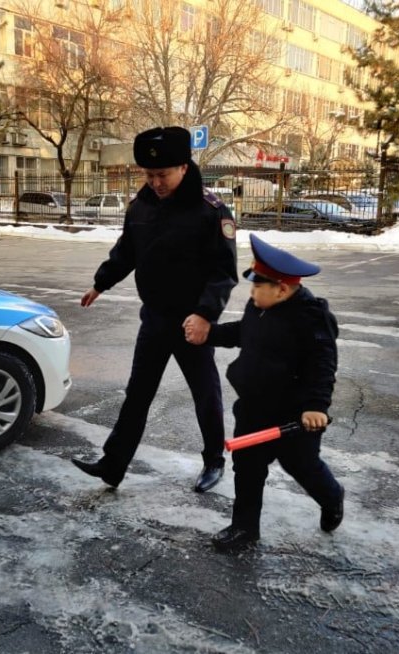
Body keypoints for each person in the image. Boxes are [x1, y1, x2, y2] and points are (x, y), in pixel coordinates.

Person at [72, 126, 238, 492]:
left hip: (192, 321)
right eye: (149, 175)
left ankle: (214, 461)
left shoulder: (210, 211)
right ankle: (114, 464)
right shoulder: (142, 205)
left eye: (162, 175)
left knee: (204, 393)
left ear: (183, 166)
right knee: (138, 393)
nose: (156, 182)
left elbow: (223, 272)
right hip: (155, 317)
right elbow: (127, 251)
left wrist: (205, 315)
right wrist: (100, 283)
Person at [185, 233, 344, 550]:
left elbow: (323, 365)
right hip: (255, 407)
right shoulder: (259, 306)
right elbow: (244, 333)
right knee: (247, 468)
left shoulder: (311, 317)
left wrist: (316, 406)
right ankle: (244, 529)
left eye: (258, 286)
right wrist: (210, 334)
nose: (252, 292)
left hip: (295, 415)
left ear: (282, 290)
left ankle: (331, 496)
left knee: (302, 466)